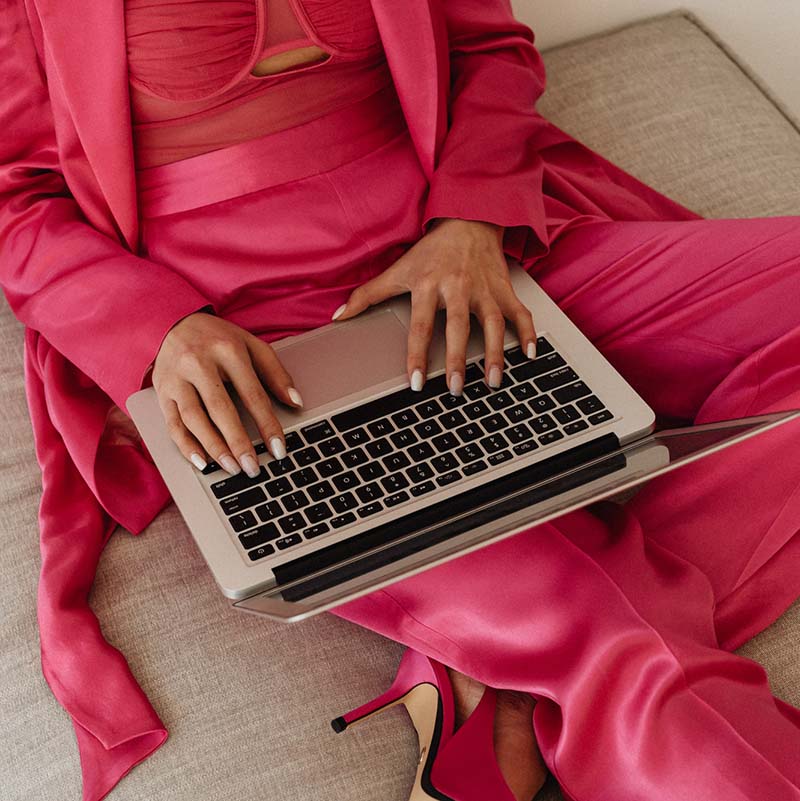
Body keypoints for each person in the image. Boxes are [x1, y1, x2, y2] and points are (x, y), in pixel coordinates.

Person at [1, 0, 799, 799]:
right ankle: (541, 633)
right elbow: (17, 199)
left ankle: (493, 661)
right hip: (256, 346)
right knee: (624, 639)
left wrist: (471, 217)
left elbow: (490, 47)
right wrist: (160, 332)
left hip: (476, 254)